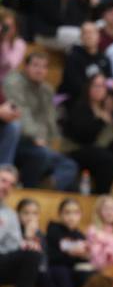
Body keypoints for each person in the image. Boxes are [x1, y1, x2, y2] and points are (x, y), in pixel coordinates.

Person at [4, 52, 78, 190]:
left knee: (69, 165)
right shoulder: (14, 82)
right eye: (36, 65)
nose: (40, 70)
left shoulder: (47, 90)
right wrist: (36, 137)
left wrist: (51, 141)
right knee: (41, 155)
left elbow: (51, 120)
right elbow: (19, 114)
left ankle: (44, 188)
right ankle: (27, 190)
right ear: (26, 67)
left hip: (40, 143)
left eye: (44, 67)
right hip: (18, 140)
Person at [62, 73, 113, 196]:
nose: (99, 89)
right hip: (78, 150)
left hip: (101, 150)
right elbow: (84, 138)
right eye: (95, 86)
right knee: (107, 158)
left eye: (102, 86)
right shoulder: (80, 107)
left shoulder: (109, 109)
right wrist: (101, 121)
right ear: (88, 88)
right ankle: (102, 195)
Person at [0, 164, 40, 287]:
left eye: (11, 184)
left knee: (32, 254)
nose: (6, 186)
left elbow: (15, 246)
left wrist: (29, 239)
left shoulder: (10, 215)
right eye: (3, 180)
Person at [46, 197, 93, 287]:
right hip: (56, 268)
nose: (71, 217)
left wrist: (86, 257)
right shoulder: (54, 230)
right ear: (60, 214)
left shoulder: (80, 235)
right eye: (67, 213)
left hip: (73, 270)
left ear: (80, 215)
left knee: (92, 275)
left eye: (76, 213)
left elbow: (82, 257)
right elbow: (51, 257)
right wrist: (73, 255)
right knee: (61, 271)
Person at [58, 21, 113, 106]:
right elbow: (75, 86)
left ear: (99, 36)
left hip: (98, 99)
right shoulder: (73, 56)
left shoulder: (104, 58)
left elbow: (109, 81)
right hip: (74, 99)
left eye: (92, 32)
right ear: (81, 37)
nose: (88, 36)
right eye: (85, 33)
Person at [86, 195, 113, 271]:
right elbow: (95, 257)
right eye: (106, 208)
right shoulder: (93, 230)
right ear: (99, 211)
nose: (110, 212)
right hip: (100, 270)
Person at [0, 8, 25, 98]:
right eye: (5, 26)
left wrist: (4, 43)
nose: (8, 30)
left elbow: (10, 64)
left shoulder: (19, 43)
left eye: (11, 26)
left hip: (7, 83)